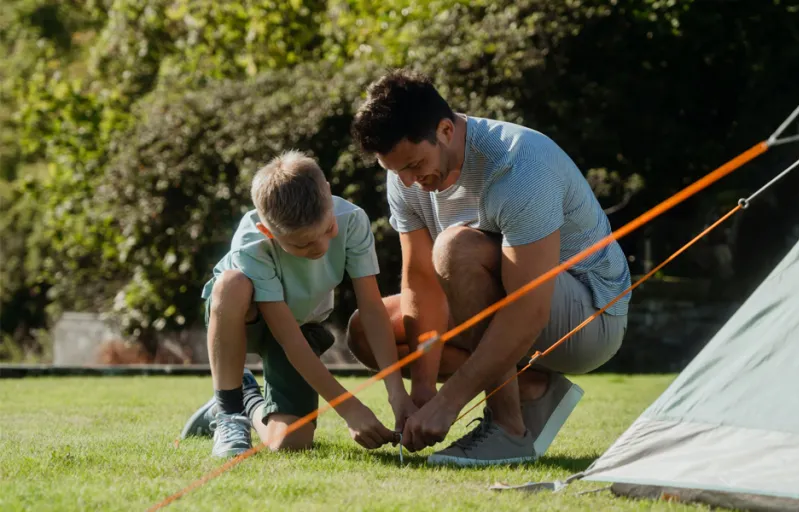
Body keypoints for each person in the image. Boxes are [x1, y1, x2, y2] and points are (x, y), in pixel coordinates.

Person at [346, 69, 631, 466]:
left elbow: (528, 307)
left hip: (590, 317)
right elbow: (420, 284)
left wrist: (449, 402)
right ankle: (531, 387)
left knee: (455, 248)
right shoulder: (407, 177)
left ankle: (508, 430)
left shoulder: (519, 165)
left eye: (415, 164)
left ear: (446, 130)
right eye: (397, 172)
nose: (409, 181)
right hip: (519, 308)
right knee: (369, 331)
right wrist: (424, 389)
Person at [178, 150, 417, 458]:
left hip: (301, 325)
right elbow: (288, 338)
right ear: (268, 232)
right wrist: (349, 408)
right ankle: (228, 412)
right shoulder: (252, 243)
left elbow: (372, 309)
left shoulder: (353, 220)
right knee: (231, 284)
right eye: (301, 244)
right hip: (250, 320)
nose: (320, 247)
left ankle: (248, 396)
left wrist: (396, 392)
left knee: (291, 442)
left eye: (327, 230)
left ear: (328, 194)